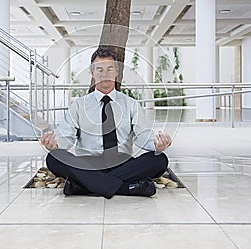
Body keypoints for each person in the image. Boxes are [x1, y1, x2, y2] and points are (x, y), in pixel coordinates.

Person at [41, 47, 171, 199]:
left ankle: (82, 186)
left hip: (122, 163)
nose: (105, 74)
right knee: (54, 157)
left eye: (110, 69)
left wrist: (157, 144)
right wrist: (55, 145)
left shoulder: (131, 104)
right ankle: (128, 187)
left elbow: (143, 136)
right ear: (92, 72)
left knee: (160, 159)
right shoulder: (78, 105)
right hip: (87, 164)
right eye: (99, 69)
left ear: (117, 72)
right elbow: (65, 136)